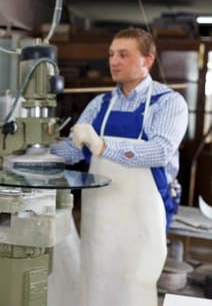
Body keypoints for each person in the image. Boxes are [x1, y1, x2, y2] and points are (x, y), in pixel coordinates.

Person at [50, 27, 188, 306]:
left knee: (135, 282)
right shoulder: (100, 104)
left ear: (147, 60)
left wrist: (103, 147)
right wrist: (38, 151)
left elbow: (160, 151)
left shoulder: (168, 103)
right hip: (100, 213)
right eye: (112, 54)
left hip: (142, 212)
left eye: (124, 55)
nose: (114, 61)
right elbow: (74, 149)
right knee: (95, 280)